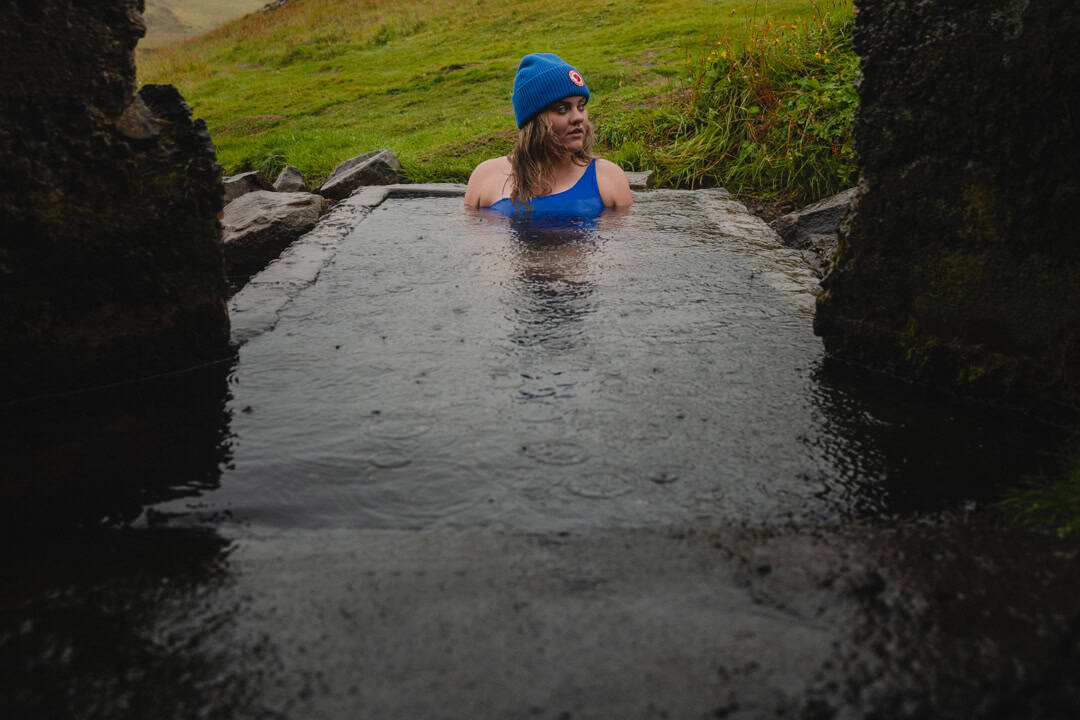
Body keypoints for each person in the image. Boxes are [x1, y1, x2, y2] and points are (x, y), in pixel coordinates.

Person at [464, 53, 633, 217]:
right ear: (534, 121)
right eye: (562, 109)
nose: (578, 118)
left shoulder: (608, 178)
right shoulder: (486, 176)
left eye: (581, 106)